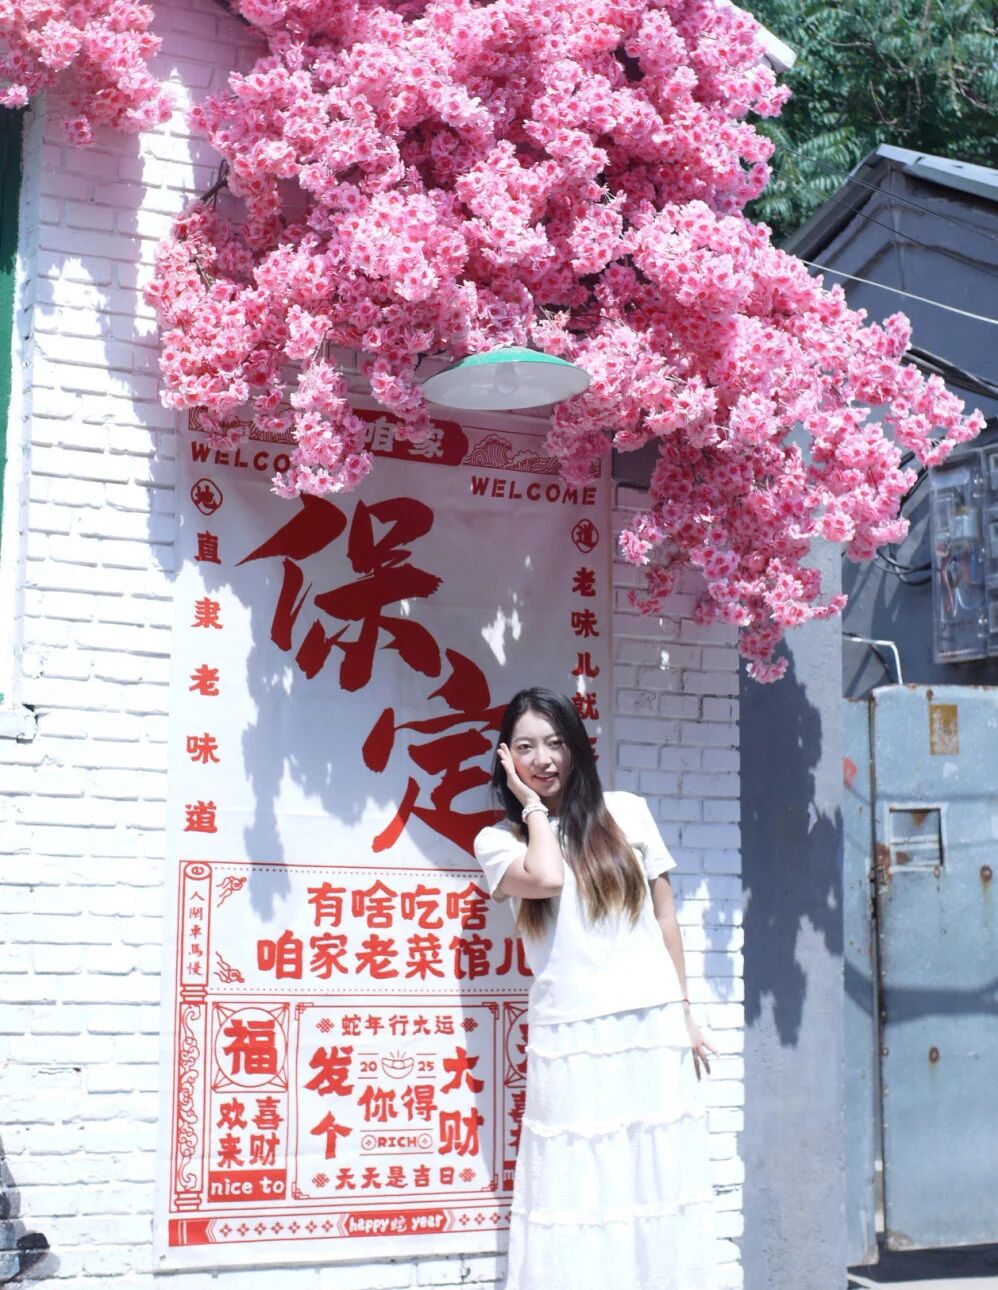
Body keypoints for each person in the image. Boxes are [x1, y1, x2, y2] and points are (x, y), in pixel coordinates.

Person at [473, 687, 719, 1290]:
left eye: (555, 743)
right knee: (576, 1185)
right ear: (507, 758)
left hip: (650, 1026)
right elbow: (548, 878)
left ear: (577, 749)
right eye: (525, 747)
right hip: (571, 1033)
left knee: (652, 1180)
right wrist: (532, 808)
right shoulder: (499, 842)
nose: (543, 759)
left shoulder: (627, 812)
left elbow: (665, 917)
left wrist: (684, 1012)